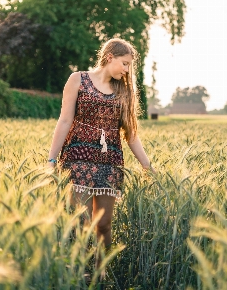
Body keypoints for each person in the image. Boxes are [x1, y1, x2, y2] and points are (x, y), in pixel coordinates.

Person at [47, 38, 153, 264]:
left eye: (129, 66)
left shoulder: (124, 91)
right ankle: (82, 273)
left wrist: (147, 166)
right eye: (124, 64)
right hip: (77, 158)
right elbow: (65, 120)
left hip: (110, 162)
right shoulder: (78, 80)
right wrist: (51, 159)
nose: (127, 70)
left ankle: (102, 270)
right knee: (82, 222)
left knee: (104, 224)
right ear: (109, 58)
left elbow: (131, 133)